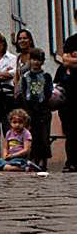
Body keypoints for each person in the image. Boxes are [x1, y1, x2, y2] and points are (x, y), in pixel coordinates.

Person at [18, 48, 53, 171]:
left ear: (42, 61)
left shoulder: (46, 76)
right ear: (30, 60)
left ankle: (43, 161)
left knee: (43, 137)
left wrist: (43, 104)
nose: (36, 62)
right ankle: (32, 160)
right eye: (33, 59)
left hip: (43, 111)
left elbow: (49, 93)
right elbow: (22, 93)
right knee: (31, 136)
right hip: (30, 110)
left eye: (38, 60)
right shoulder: (25, 77)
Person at [55, 34, 77, 172]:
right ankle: (71, 162)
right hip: (69, 99)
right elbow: (65, 61)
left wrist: (72, 60)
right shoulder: (71, 40)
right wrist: (69, 60)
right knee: (71, 132)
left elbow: (69, 61)